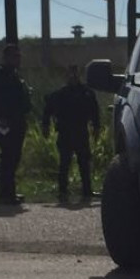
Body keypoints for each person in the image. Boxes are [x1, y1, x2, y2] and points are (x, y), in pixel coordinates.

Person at [41, 64, 100, 204]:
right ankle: (62, 192)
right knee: (64, 163)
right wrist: (45, 126)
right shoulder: (59, 94)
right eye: (70, 73)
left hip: (81, 132)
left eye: (75, 73)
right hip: (65, 132)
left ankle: (87, 190)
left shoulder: (86, 93)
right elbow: (47, 111)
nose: (72, 76)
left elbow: (95, 112)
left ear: (79, 75)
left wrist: (96, 127)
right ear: (66, 76)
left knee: (84, 163)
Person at [0, 44, 32, 205]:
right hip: (5, 121)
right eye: (14, 56)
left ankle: (9, 192)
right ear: (5, 58)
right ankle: (5, 194)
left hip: (17, 120)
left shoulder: (14, 75)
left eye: (19, 56)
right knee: (8, 156)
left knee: (14, 157)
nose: (18, 59)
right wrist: (2, 116)